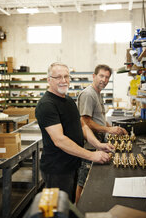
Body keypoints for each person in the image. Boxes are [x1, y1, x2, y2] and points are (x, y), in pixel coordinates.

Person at [35, 62, 115, 204]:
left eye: (66, 76)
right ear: (49, 80)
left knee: (70, 205)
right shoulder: (46, 105)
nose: (64, 80)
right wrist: (92, 155)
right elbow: (59, 140)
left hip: (72, 164)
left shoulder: (68, 100)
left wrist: (98, 145)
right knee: (56, 209)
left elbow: (82, 125)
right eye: (58, 77)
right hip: (57, 170)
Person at [76, 64, 127, 202]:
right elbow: (85, 121)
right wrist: (108, 130)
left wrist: (113, 128)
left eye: (107, 77)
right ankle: (78, 209)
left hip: (98, 143)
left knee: (92, 181)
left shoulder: (97, 94)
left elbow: (99, 119)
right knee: (83, 181)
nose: (104, 80)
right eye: (101, 76)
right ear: (94, 76)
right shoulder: (88, 94)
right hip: (89, 145)